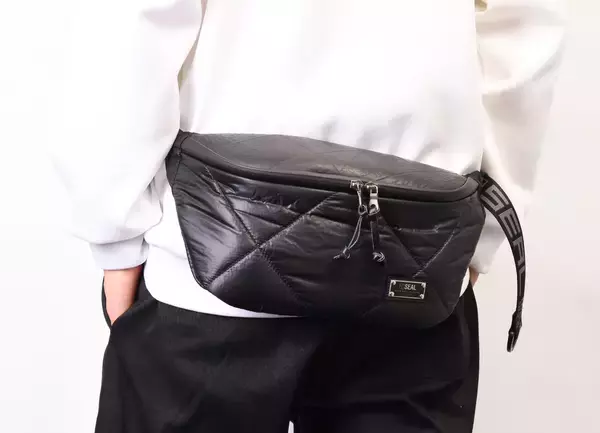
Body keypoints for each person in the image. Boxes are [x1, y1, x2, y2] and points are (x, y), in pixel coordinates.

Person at [51, 1, 564, 432]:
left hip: (214, 258)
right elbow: (523, 29)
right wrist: (481, 232)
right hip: (412, 263)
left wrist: (115, 231)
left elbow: (131, 23)